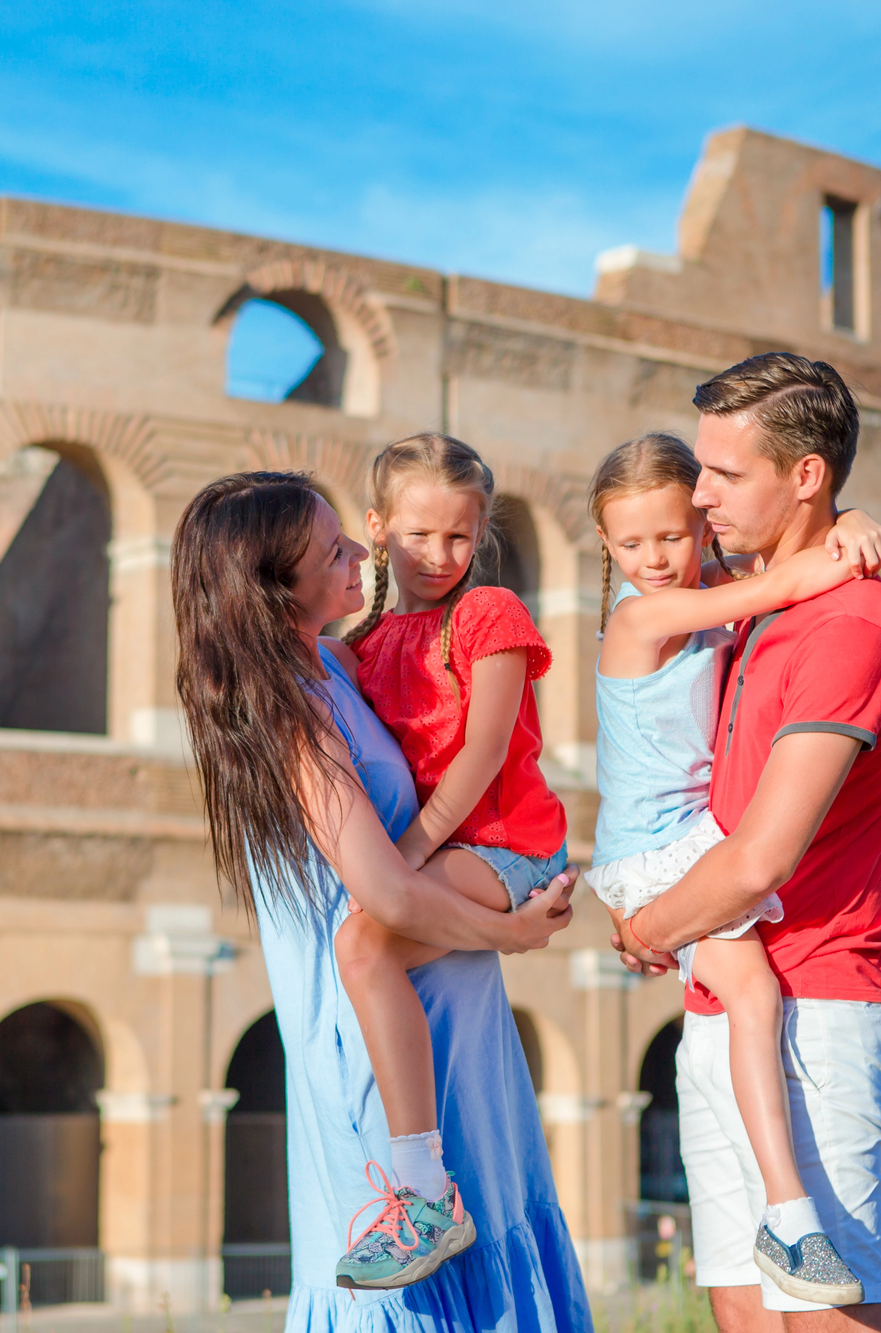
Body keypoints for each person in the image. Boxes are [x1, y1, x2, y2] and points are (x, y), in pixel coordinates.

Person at [582, 431, 881, 1304]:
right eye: (632, 544)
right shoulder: (643, 615)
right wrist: (874, 537)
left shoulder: (706, 590)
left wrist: (855, 522)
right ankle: (790, 1213)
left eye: (673, 536)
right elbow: (785, 580)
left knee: (841, 860)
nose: (656, 558)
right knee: (754, 995)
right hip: (655, 853)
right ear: (606, 544)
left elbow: (780, 557)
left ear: (700, 524)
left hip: (695, 832)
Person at [170, 472, 590, 1329]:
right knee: (421, 1301)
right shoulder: (285, 713)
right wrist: (512, 930)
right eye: (334, 551)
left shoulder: (332, 663)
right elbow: (389, 895)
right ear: (274, 589)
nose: (364, 554)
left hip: (448, 1017)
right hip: (379, 1048)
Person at [600, 353, 881, 1333]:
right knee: (744, 1310)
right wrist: (866, 528)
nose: (699, 495)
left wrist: (645, 929)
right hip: (725, 1000)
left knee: (823, 1316)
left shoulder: (847, 627)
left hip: (815, 1013)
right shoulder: (759, 594)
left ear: (804, 476)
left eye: (723, 473)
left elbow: (760, 861)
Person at [328, 434, 569, 1287]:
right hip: (450, 849)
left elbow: (483, 751)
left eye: (459, 536)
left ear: (482, 530)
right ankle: (420, 1182)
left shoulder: (488, 614)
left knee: (365, 943)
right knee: (365, 944)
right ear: (376, 527)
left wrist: (405, 857)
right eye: (417, 535)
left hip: (508, 846)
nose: (438, 555)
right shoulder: (365, 641)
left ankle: (426, 1193)